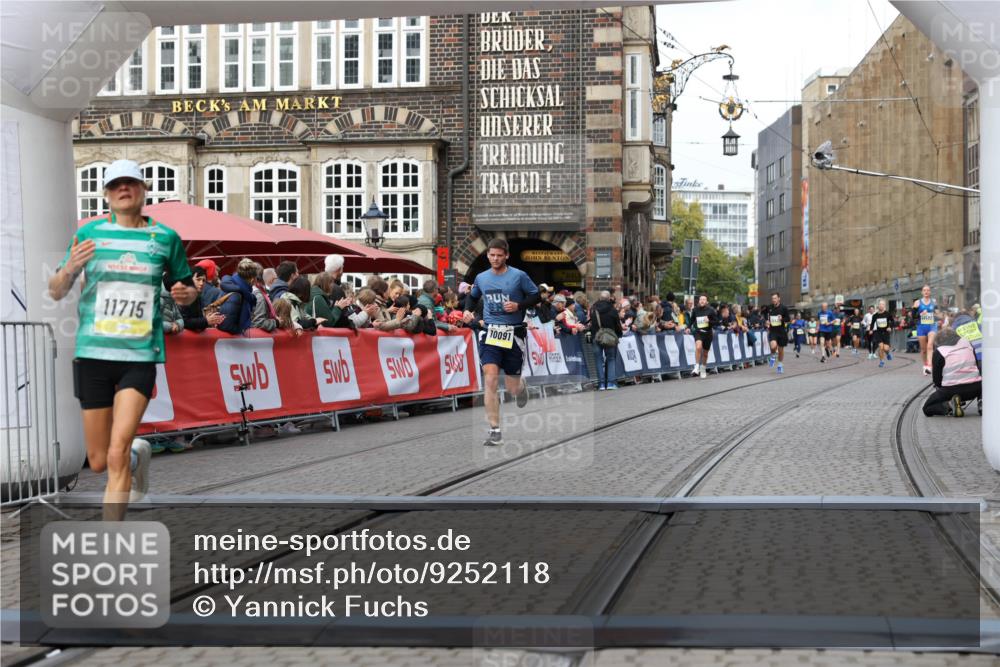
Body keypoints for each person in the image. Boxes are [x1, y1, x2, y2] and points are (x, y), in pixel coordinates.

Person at [47, 159, 197, 518]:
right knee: (98, 460)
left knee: (114, 455)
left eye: (130, 183)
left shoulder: (165, 238)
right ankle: (136, 455)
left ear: (144, 190)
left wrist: (185, 295)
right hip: (93, 355)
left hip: (139, 356)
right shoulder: (89, 235)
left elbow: (188, 288)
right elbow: (56, 290)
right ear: (106, 194)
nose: (123, 189)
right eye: (115, 185)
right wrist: (68, 269)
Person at [463, 238, 540, 446]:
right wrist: (467, 312)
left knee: (512, 387)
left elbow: (536, 296)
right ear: (487, 255)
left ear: (506, 256)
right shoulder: (481, 277)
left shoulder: (518, 276)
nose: (495, 259)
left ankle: (521, 389)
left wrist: (518, 305)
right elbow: (472, 297)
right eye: (492, 255)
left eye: (499, 255)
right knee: (490, 379)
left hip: (513, 334)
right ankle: (495, 430)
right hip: (490, 333)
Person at [922, 328, 981, 417]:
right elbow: (977, 366)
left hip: (951, 391)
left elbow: (937, 380)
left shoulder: (939, 351)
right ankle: (982, 403)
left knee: (927, 408)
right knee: (984, 386)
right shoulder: (967, 344)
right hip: (975, 388)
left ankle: (949, 406)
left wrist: (942, 393)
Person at [589, 290, 621, 391]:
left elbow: (592, 323)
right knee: (611, 359)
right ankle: (611, 383)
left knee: (598, 360)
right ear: (609, 298)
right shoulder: (612, 309)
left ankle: (601, 384)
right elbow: (617, 324)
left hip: (596, 336)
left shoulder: (593, 308)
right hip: (610, 337)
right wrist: (619, 334)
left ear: (600, 298)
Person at [218, 258, 258, 335]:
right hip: (230, 343)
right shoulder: (237, 294)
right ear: (252, 279)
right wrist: (240, 331)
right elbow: (226, 325)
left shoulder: (236, 288)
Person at [690, 294, 718, 379]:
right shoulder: (695, 310)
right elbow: (692, 320)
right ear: (699, 301)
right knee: (698, 347)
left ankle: (703, 369)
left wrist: (709, 321)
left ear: (706, 302)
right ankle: (696, 367)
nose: (702, 301)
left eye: (704, 299)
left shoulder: (711, 310)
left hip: (708, 333)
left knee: (705, 353)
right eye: (701, 299)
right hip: (698, 332)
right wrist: (688, 327)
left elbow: (716, 322)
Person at [913, 284, 938, 375]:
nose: (926, 292)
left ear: (930, 292)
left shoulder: (934, 302)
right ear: (922, 292)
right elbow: (913, 316)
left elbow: (937, 314)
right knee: (923, 350)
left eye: (928, 290)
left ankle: (930, 366)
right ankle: (925, 365)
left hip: (932, 326)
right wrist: (920, 314)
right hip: (921, 327)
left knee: (930, 346)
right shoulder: (917, 303)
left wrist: (937, 316)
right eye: (924, 290)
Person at [766, 292, 790, 374]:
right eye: (772, 298)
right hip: (773, 331)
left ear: (779, 298)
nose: (773, 300)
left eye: (775, 298)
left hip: (781, 331)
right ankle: (772, 356)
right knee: (773, 346)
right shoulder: (769, 308)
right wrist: (767, 322)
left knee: (780, 350)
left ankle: (780, 365)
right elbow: (767, 317)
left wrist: (782, 318)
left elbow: (788, 319)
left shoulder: (784, 308)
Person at [868, 299, 895, 368]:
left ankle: (888, 353)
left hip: (886, 333)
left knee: (885, 348)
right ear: (878, 306)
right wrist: (871, 330)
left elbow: (893, 322)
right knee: (881, 347)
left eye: (883, 304)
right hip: (878, 333)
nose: (881, 306)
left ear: (884, 306)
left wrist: (890, 327)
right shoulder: (875, 315)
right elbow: (872, 323)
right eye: (880, 304)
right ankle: (881, 361)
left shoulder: (888, 314)